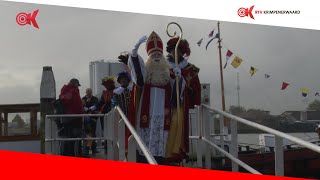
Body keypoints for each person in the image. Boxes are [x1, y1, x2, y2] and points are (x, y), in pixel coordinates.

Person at [120, 32, 179, 164]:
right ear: (149, 57)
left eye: (159, 54)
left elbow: (178, 91)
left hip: (165, 112)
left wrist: (179, 78)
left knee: (162, 134)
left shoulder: (168, 72)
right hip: (148, 110)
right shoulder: (146, 71)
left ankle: (161, 158)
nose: (157, 57)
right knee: (147, 132)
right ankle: (145, 157)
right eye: (154, 55)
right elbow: (138, 75)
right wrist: (134, 51)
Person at [165, 37, 201, 164]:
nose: (176, 53)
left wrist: (182, 81)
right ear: (169, 50)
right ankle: (163, 152)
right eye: (173, 50)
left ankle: (177, 152)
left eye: (179, 50)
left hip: (180, 104)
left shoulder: (190, 68)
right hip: (165, 103)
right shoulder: (162, 65)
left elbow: (196, 88)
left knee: (178, 124)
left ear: (182, 52)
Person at [89, 76, 116, 154]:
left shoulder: (117, 91)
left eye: (107, 84)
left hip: (114, 114)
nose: (106, 86)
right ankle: (107, 149)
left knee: (114, 132)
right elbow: (100, 103)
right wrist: (92, 108)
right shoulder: (104, 93)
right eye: (105, 85)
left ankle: (113, 149)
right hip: (104, 115)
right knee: (106, 132)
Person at [59, 78, 84, 157]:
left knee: (67, 137)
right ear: (74, 83)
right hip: (75, 118)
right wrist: (82, 111)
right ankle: (75, 154)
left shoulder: (64, 90)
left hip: (66, 118)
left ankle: (67, 153)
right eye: (77, 85)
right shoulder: (74, 90)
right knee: (76, 137)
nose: (78, 87)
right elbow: (77, 104)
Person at [82, 88, 99, 156]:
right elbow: (82, 107)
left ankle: (94, 149)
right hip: (85, 120)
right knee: (86, 133)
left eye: (90, 92)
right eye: (87, 92)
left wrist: (89, 109)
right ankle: (86, 149)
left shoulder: (95, 98)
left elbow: (97, 106)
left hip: (93, 118)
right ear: (86, 92)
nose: (88, 93)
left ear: (91, 92)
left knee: (93, 133)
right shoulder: (83, 99)